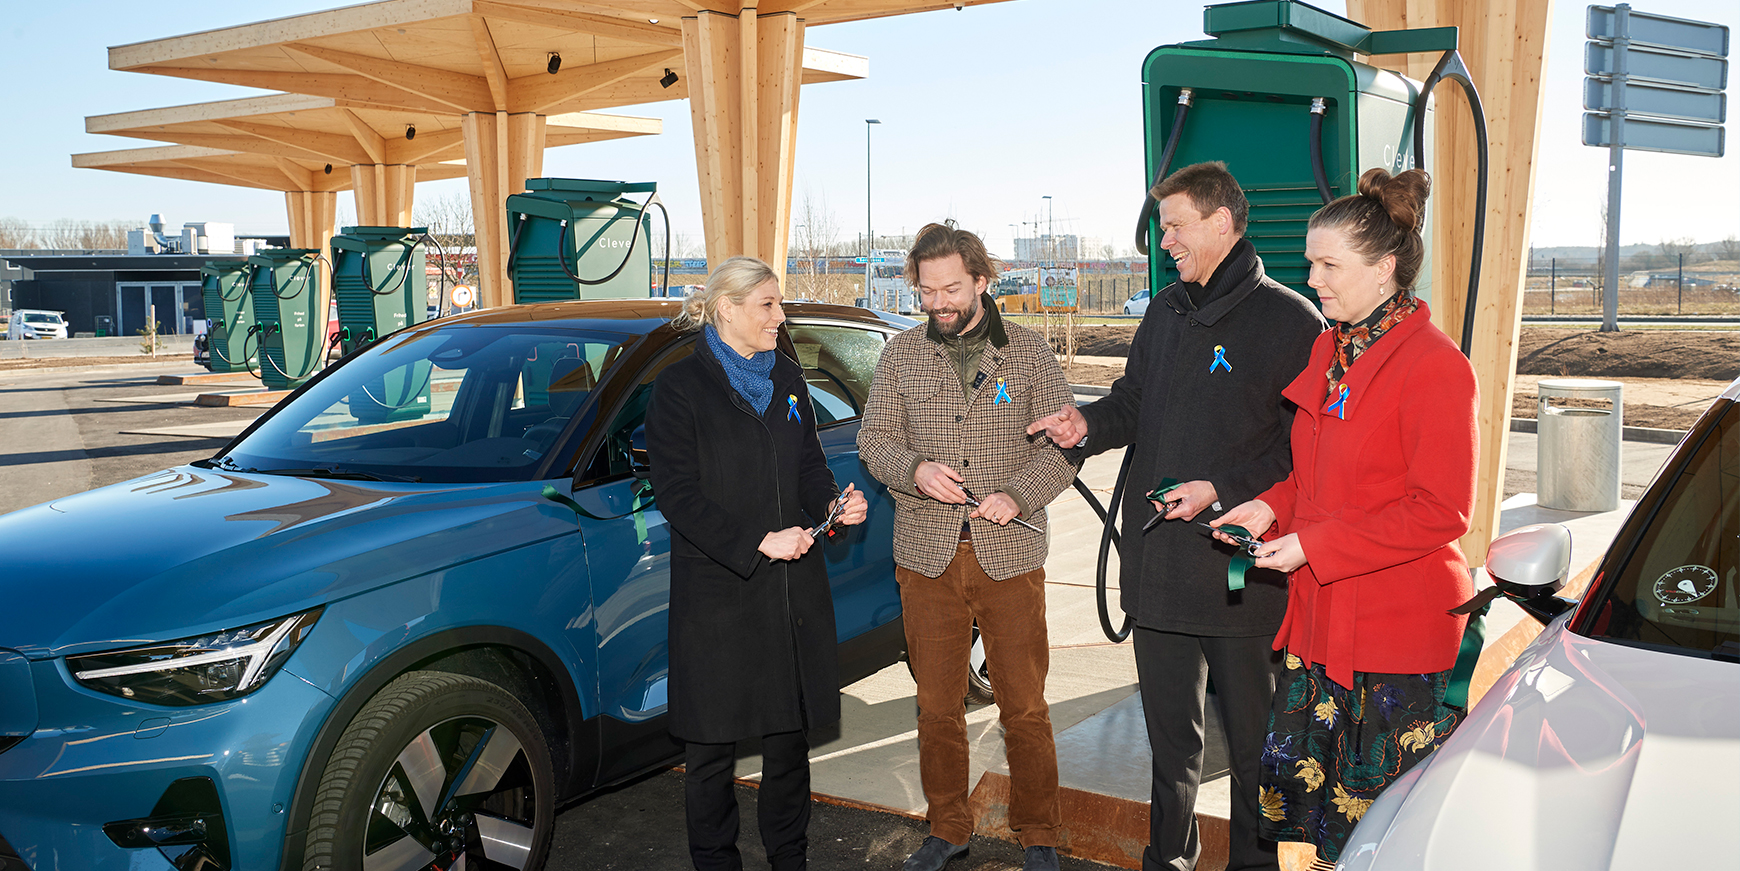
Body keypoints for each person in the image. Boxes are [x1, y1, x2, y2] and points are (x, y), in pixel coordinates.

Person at [1027, 162, 1326, 871]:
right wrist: (1085, 425)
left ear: (1221, 224)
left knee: (1256, 748)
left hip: (1240, 580)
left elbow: (1303, 456)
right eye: (1165, 229)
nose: (1166, 242)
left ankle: (1254, 863)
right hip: (1158, 571)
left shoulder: (1292, 321)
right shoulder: (1166, 310)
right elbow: (1134, 400)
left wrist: (1217, 487)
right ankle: (1170, 860)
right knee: (1171, 749)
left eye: (1176, 226)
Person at [1210, 167, 1476, 869]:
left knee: (1388, 836)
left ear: (1386, 268)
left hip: (1395, 644)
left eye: (1330, 264)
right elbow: (1317, 477)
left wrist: (1311, 543)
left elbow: (1440, 509)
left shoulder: (1435, 365)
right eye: (1310, 260)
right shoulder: (1333, 348)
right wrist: (1271, 506)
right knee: (1317, 831)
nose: (1313, 277)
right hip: (1324, 625)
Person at [857, 222, 1077, 871]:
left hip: (1009, 555)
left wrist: (1017, 494)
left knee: (1025, 704)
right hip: (925, 558)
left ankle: (1040, 832)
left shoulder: (1030, 354)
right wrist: (915, 468)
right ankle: (947, 825)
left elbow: (1063, 448)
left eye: (951, 287)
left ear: (982, 280)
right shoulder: (900, 355)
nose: (939, 301)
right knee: (936, 704)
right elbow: (875, 441)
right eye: (927, 290)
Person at [645, 255, 870, 871]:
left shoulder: (789, 381)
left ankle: (788, 858)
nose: (781, 315)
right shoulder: (679, 389)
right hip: (720, 595)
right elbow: (677, 494)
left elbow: (808, 466)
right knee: (712, 753)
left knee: (787, 743)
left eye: (779, 303)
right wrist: (756, 541)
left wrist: (831, 501)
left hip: (791, 593)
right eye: (768, 304)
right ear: (727, 309)